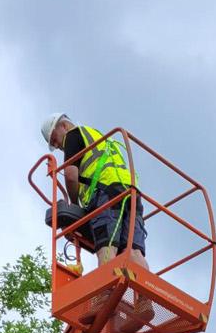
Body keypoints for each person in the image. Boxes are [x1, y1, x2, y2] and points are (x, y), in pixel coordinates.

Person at [40, 114, 148, 268]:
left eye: (54, 139)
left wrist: (75, 203)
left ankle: (107, 290)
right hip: (131, 193)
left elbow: (71, 175)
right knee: (133, 251)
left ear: (63, 126)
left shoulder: (73, 135)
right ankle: (144, 290)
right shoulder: (98, 137)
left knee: (107, 247)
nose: (57, 145)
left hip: (106, 194)